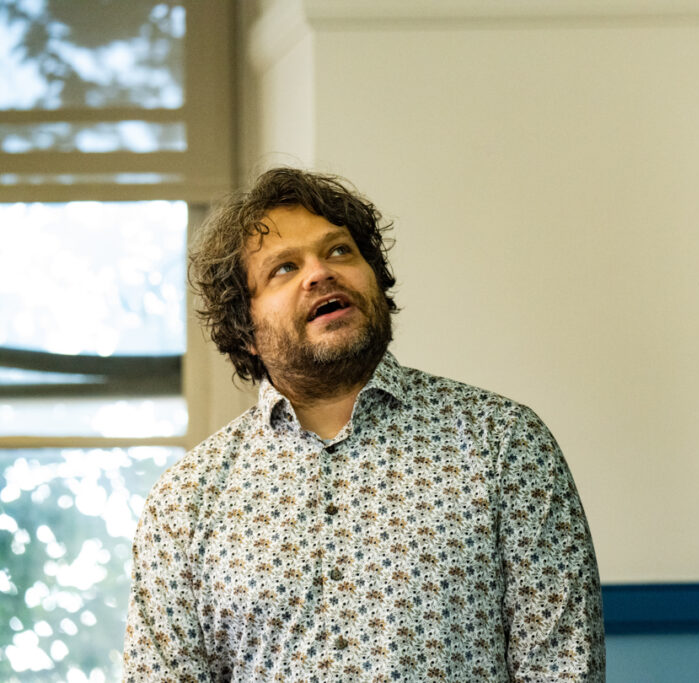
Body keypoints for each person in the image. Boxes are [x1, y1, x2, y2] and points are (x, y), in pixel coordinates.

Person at [122, 168, 605, 682]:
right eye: (283, 268)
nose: (319, 273)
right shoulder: (185, 501)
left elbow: (563, 668)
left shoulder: (503, 443)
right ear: (246, 332)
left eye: (338, 251)